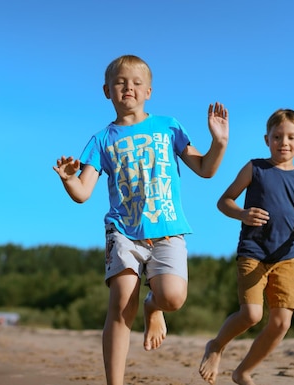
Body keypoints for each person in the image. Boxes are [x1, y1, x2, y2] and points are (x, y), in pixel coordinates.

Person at [53, 54, 229, 385]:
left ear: (149, 91)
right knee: (121, 306)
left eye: (136, 83)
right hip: (123, 231)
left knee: (173, 298)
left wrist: (218, 143)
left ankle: (154, 308)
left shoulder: (169, 126)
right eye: (120, 83)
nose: (128, 88)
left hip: (167, 229)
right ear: (107, 91)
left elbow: (205, 169)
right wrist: (67, 179)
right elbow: (83, 192)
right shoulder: (102, 140)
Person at [198, 108, 294, 385]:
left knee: (281, 323)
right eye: (277, 136)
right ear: (266, 139)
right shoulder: (255, 168)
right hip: (253, 253)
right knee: (251, 314)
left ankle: (243, 371)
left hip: (287, 258)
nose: (284, 142)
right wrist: (242, 214)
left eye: (291, 137)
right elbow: (225, 201)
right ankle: (216, 346)